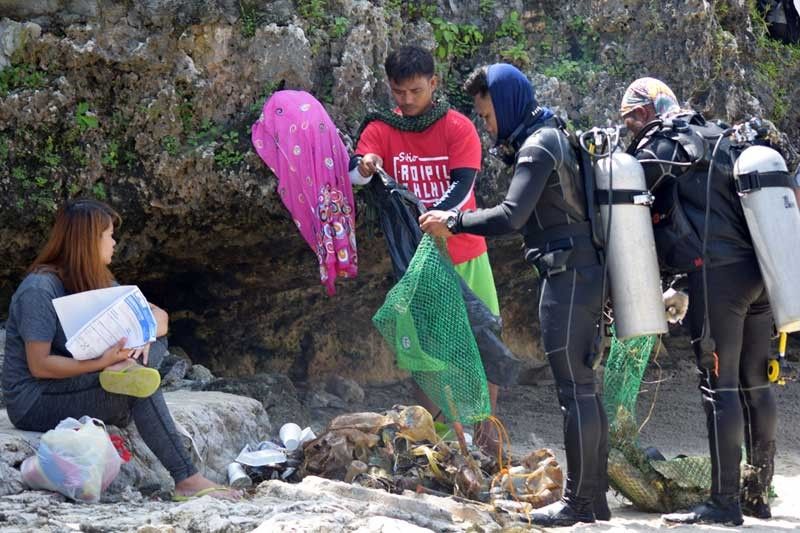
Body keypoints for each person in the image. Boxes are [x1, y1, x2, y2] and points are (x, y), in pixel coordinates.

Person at [420, 63, 609, 527]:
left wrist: (454, 221)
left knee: (574, 392)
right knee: (585, 389)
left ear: (505, 103)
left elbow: (511, 216)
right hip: (583, 275)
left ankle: (580, 506)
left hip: (567, 277)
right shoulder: (554, 134)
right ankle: (595, 500)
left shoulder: (538, 144)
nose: (487, 127)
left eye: (487, 116)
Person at [1, 199, 238, 501]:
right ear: (89, 241)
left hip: (81, 379)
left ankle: (123, 372)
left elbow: (160, 317)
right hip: (35, 399)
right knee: (138, 387)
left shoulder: (95, 279)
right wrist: (102, 362)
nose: (114, 243)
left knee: (155, 344)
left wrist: (144, 336)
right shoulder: (39, 289)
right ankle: (187, 479)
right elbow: (40, 365)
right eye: (109, 235)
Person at [620, 77, 778, 525]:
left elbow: (633, 199)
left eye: (632, 118)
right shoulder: (719, 135)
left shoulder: (663, 143)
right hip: (761, 273)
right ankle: (757, 495)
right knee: (756, 382)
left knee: (719, 386)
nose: (632, 129)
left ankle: (724, 503)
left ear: (645, 111)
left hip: (719, 279)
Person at [350, 45, 503, 450]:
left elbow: (464, 183)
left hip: (466, 252)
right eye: (399, 92)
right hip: (418, 267)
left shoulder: (457, 127)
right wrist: (365, 165)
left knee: (483, 341)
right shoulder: (382, 128)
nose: (407, 100)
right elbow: (355, 174)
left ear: (433, 84)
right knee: (425, 356)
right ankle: (431, 441)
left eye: (416, 91)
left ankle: (489, 441)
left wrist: (436, 216)